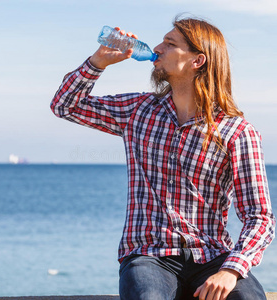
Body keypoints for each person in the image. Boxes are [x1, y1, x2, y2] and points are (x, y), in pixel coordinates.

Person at [50, 16, 275, 300]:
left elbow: (259, 216)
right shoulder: (137, 110)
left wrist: (231, 270)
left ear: (197, 61)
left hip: (213, 256)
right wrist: (98, 62)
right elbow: (64, 105)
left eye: (170, 44)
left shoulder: (237, 132)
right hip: (148, 256)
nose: (157, 47)